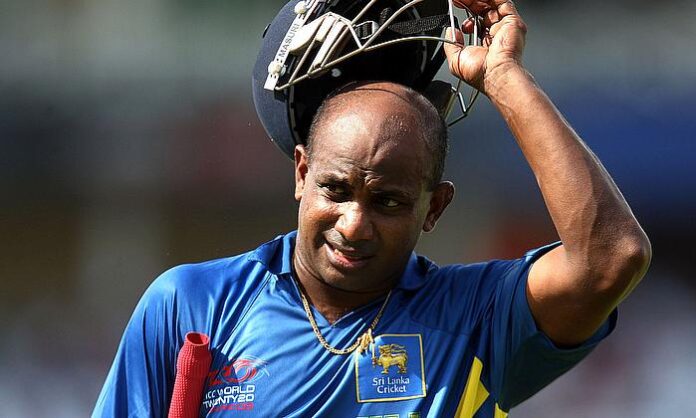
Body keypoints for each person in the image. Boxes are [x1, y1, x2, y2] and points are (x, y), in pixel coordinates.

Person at [93, 0, 651, 417]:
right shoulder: (192, 304)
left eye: (388, 202)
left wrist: (503, 78)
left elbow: (612, 258)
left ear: (435, 208)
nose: (355, 224)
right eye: (336, 190)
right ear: (302, 173)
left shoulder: (476, 320)